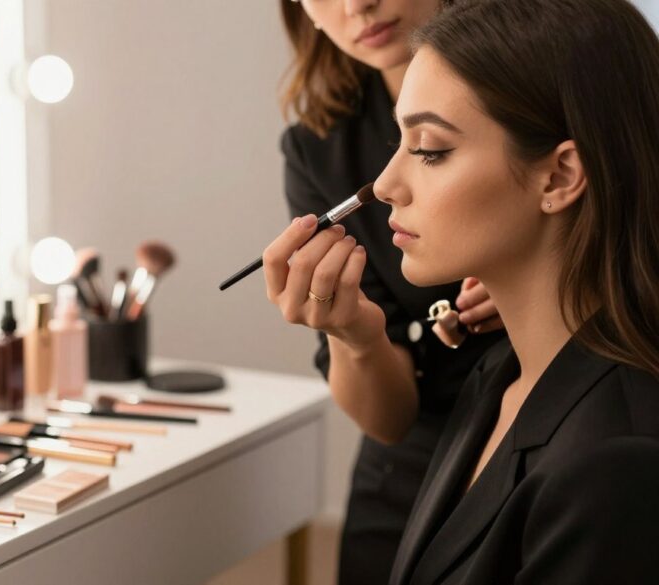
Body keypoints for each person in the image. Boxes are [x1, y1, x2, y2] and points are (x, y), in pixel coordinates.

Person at [267, 0, 659, 582]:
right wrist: (351, 333)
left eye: (430, 150)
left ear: (559, 176)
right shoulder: (493, 383)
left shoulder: (614, 465)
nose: (385, 185)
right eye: (401, 140)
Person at [276, 1, 503, 582]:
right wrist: (352, 332)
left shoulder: (554, 78)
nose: (357, 5)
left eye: (432, 151)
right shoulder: (320, 145)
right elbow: (389, 419)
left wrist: (552, 279)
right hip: (416, 459)